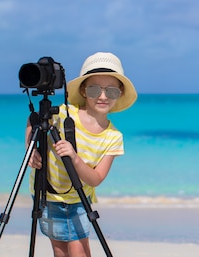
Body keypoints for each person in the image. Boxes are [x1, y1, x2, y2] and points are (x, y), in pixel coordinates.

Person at [26, 52, 137, 257]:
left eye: (111, 91)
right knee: (60, 252)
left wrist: (74, 158)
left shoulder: (113, 137)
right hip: (48, 194)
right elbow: (34, 121)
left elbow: (96, 179)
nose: (103, 96)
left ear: (120, 93)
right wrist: (30, 149)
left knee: (80, 253)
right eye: (95, 89)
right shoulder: (64, 113)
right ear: (84, 90)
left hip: (78, 199)